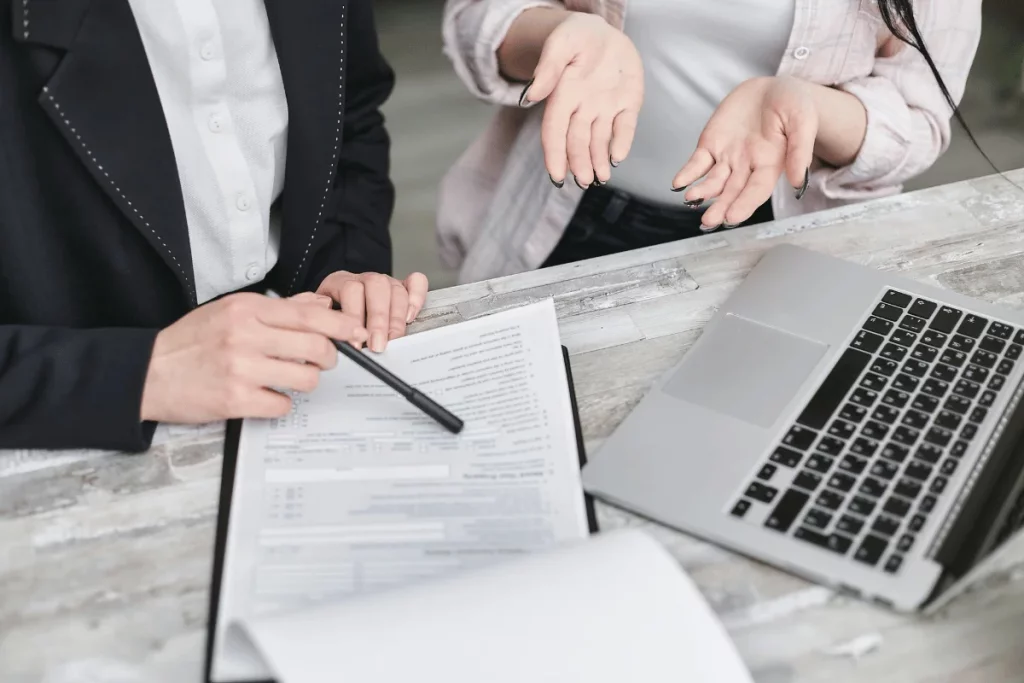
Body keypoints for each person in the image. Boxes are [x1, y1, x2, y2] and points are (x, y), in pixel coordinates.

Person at [0, 0, 426, 451]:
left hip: (308, 398)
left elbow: (350, 111)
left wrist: (342, 265)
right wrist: (139, 373)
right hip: (86, 445)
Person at [439, 0, 982, 282]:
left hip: (786, 239)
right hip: (574, 211)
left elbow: (919, 121)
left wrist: (806, 107)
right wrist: (559, 34)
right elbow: (476, 18)